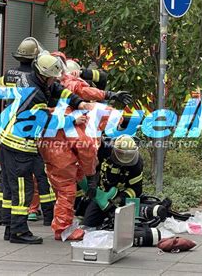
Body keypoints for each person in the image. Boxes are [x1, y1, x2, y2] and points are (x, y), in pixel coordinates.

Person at [0, 54, 90, 244]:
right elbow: (46, 121)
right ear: (44, 75)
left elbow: (58, 89)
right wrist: (72, 119)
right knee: (23, 191)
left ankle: (11, 228)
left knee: (12, 188)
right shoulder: (36, 94)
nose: (54, 80)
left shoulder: (32, 78)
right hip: (18, 147)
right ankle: (19, 232)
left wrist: (79, 102)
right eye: (52, 77)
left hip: (7, 141)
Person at [39, 58, 133, 241]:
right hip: (61, 156)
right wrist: (91, 176)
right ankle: (63, 229)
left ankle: (63, 222)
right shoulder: (84, 119)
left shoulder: (59, 106)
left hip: (50, 148)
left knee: (63, 188)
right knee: (67, 191)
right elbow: (86, 150)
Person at [0, 37, 55, 228]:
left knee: (7, 185)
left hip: (7, 133)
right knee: (29, 185)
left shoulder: (11, 74)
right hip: (22, 141)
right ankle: (23, 228)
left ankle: (7, 223)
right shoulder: (36, 84)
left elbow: (0, 89)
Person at [81, 134, 143, 228]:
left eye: (129, 155)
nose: (125, 158)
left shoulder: (137, 163)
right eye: (121, 154)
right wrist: (92, 182)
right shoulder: (105, 150)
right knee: (88, 224)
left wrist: (119, 199)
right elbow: (90, 162)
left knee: (124, 227)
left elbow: (136, 189)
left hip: (121, 197)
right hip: (102, 194)